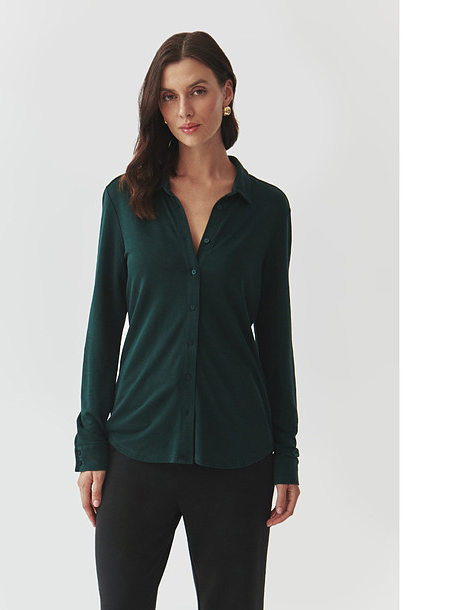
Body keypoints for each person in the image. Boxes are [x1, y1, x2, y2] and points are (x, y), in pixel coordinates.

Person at [74, 30, 301, 610]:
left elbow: (275, 337)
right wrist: (91, 443)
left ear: (227, 92)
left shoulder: (267, 209)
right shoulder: (125, 199)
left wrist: (286, 451)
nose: (184, 110)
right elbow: (105, 323)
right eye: (169, 96)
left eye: (198, 91)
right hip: (136, 450)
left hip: (237, 455)